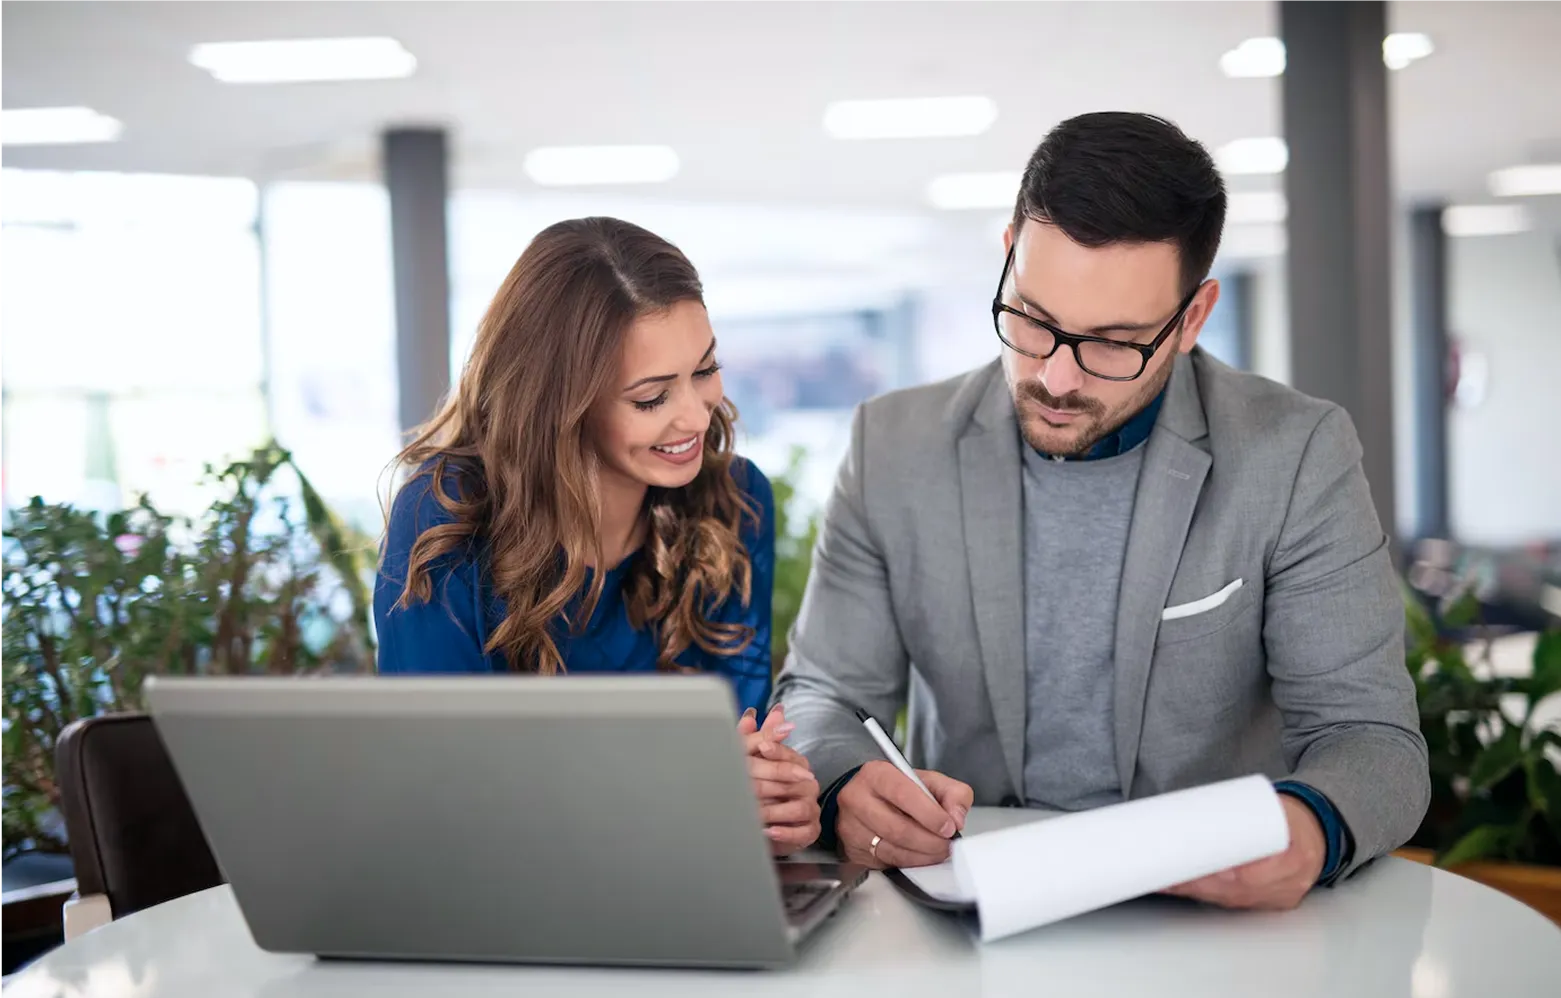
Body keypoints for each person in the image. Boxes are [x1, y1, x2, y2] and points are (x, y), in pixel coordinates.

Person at [774, 112, 1429, 908]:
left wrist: (1309, 825)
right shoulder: (893, 445)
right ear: (1009, 251)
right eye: (1032, 321)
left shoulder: (1294, 454)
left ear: (1191, 318)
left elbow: (1371, 739)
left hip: (1206, 922)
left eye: (1112, 344)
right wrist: (845, 780)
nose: (1054, 379)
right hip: (968, 906)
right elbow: (821, 696)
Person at [375, 216, 820, 855]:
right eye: (650, 398)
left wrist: (773, 802)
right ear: (558, 404)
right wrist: (688, 790)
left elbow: (732, 751)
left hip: (680, 880)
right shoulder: (445, 518)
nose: (697, 416)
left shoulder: (735, 502)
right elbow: (442, 795)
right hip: (507, 900)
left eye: (705, 369)